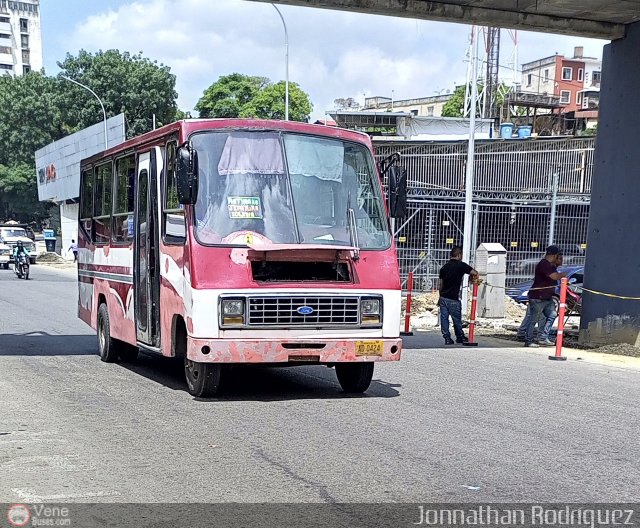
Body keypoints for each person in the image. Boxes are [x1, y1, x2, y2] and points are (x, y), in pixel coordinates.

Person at [524, 246, 567, 347]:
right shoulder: (544, 264)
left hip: (547, 297)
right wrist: (564, 274)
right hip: (538, 297)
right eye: (558, 256)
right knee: (534, 319)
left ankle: (543, 337)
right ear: (554, 255)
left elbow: (555, 273)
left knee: (552, 315)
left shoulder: (551, 266)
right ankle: (528, 340)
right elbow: (554, 276)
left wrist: (558, 263)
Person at [438, 246, 479, 345]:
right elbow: (475, 272)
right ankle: (460, 337)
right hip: (454, 298)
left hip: (443, 297)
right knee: (456, 319)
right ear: (459, 255)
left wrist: (440, 297)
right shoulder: (461, 266)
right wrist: (471, 278)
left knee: (444, 319)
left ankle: (447, 338)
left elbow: (440, 285)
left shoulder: (444, 267)